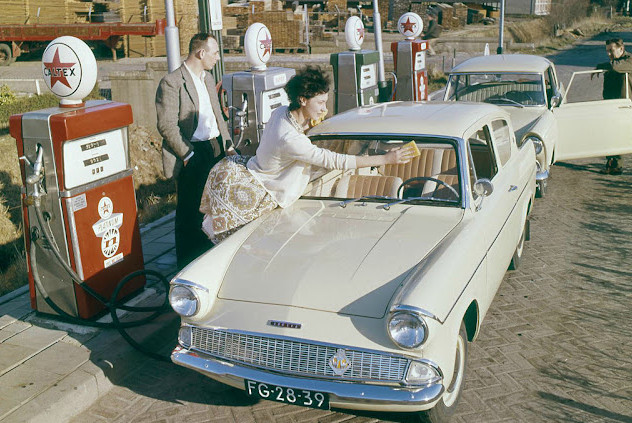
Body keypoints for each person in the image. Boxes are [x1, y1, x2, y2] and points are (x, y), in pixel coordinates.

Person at [200, 66, 413, 243]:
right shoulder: (290, 138)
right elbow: (335, 160)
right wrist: (386, 159)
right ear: (302, 100)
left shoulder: (281, 112)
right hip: (264, 189)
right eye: (320, 103)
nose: (325, 109)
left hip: (251, 168)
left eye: (325, 102)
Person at [156, 33, 234, 269]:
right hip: (192, 152)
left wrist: (227, 143)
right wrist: (188, 155)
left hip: (214, 147)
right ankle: (188, 265)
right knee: (190, 211)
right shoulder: (172, 82)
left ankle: (210, 257)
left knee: (215, 206)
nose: (217, 58)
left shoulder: (208, 79)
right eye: (215, 53)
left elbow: (217, 114)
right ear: (201, 53)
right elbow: (166, 124)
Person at [595, 38, 632, 175]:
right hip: (611, 103)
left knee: (620, 135)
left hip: (624, 105)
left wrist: (603, 66)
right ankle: (611, 163)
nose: (609, 54)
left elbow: (616, 67)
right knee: (610, 133)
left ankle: (617, 165)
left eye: (611, 50)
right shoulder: (614, 61)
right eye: (607, 51)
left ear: (621, 49)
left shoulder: (629, 60)